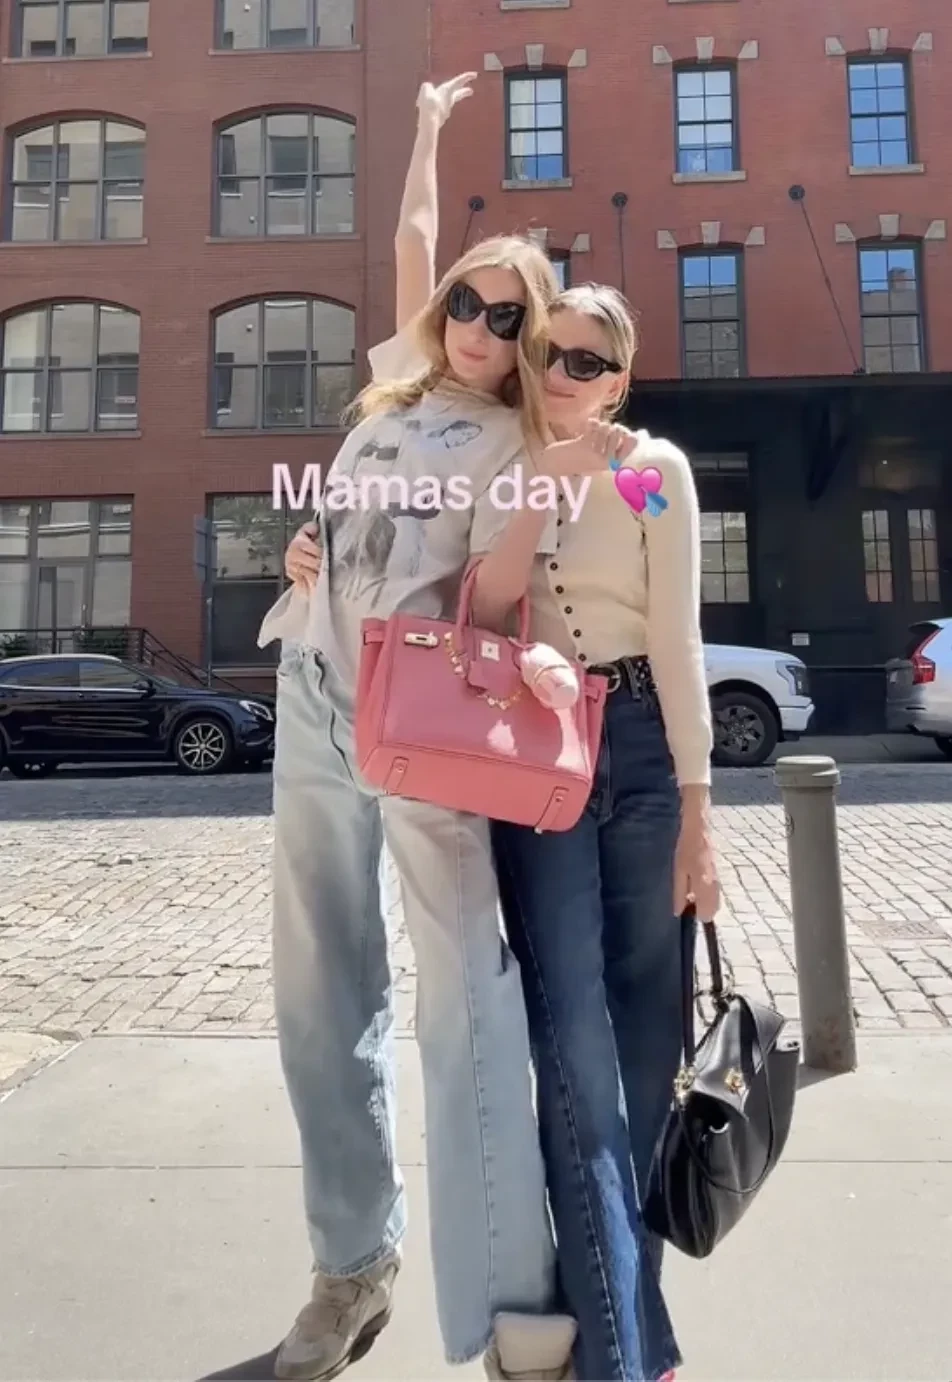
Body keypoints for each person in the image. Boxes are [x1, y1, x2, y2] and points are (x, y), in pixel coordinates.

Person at [259, 73, 607, 1382]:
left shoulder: (523, 433)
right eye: (466, 300)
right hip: (313, 690)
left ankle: (515, 1293)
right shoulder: (395, 388)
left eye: (507, 315)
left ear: (529, 337)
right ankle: (352, 1263)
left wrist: (585, 482)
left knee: (464, 998)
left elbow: (542, 552)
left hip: (432, 719)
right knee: (318, 989)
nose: (476, 324)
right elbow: (412, 236)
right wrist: (421, 128)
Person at [468, 285, 722, 1380]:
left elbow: (677, 639)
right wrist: (542, 482)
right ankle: (625, 1356)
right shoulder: (505, 464)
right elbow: (483, 611)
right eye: (547, 352)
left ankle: (621, 1329)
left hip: (644, 757)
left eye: (586, 362)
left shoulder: (651, 473)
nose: (560, 374)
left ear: (618, 379)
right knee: (572, 1053)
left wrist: (700, 811)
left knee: (646, 1051)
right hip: (539, 755)